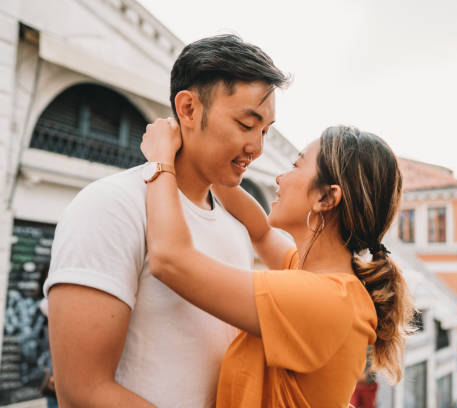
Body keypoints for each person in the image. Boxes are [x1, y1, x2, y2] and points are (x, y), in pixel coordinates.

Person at [44, 34, 289, 407]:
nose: (257, 148)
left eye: (265, 131)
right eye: (245, 124)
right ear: (188, 109)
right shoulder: (111, 205)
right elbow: (82, 390)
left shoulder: (234, 229)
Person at [139, 120, 414, 407]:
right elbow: (260, 230)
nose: (280, 178)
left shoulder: (321, 299)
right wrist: (210, 164)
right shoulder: (329, 283)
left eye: (296, 166)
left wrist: (160, 158)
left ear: (326, 197)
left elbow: (170, 260)